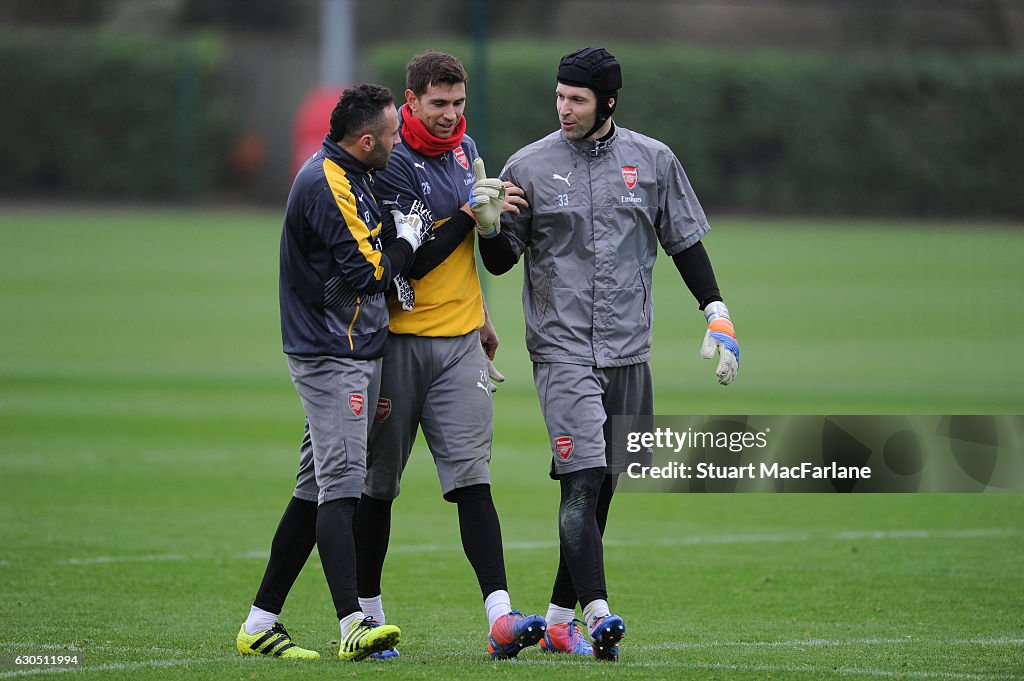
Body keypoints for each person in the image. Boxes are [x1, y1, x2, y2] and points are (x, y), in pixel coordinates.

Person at [477, 47, 741, 662]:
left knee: (607, 485)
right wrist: (488, 227)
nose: (564, 108)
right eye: (560, 96)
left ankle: (560, 618)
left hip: (629, 351)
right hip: (563, 350)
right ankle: (598, 615)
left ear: (608, 103)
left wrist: (717, 311)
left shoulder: (653, 161)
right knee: (582, 479)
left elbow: (684, 243)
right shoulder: (530, 166)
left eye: (577, 99)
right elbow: (498, 260)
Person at [352, 51, 546, 660]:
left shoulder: (467, 152)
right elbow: (419, 258)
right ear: (409, 101)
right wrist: (469, 214)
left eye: (458, 104)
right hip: (397, 343)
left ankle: (500, 617)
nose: (449, 116)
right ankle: (368, 618)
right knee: (378, 487)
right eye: (438, 104)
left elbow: (477, 257)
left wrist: (489, 247)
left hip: (460, 344)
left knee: (473, 481)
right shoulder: (390, 164)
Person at [234, 83, 433, 662]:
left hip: (356, 349)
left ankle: (259, 623)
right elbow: (369, 272)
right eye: (392, 136)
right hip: (331, 355)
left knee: (313, 489)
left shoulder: (358, 173)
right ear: (365, 140)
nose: (398, 144)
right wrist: (406, 240)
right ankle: (353, 624)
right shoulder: (328, 182)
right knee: (342, 489)